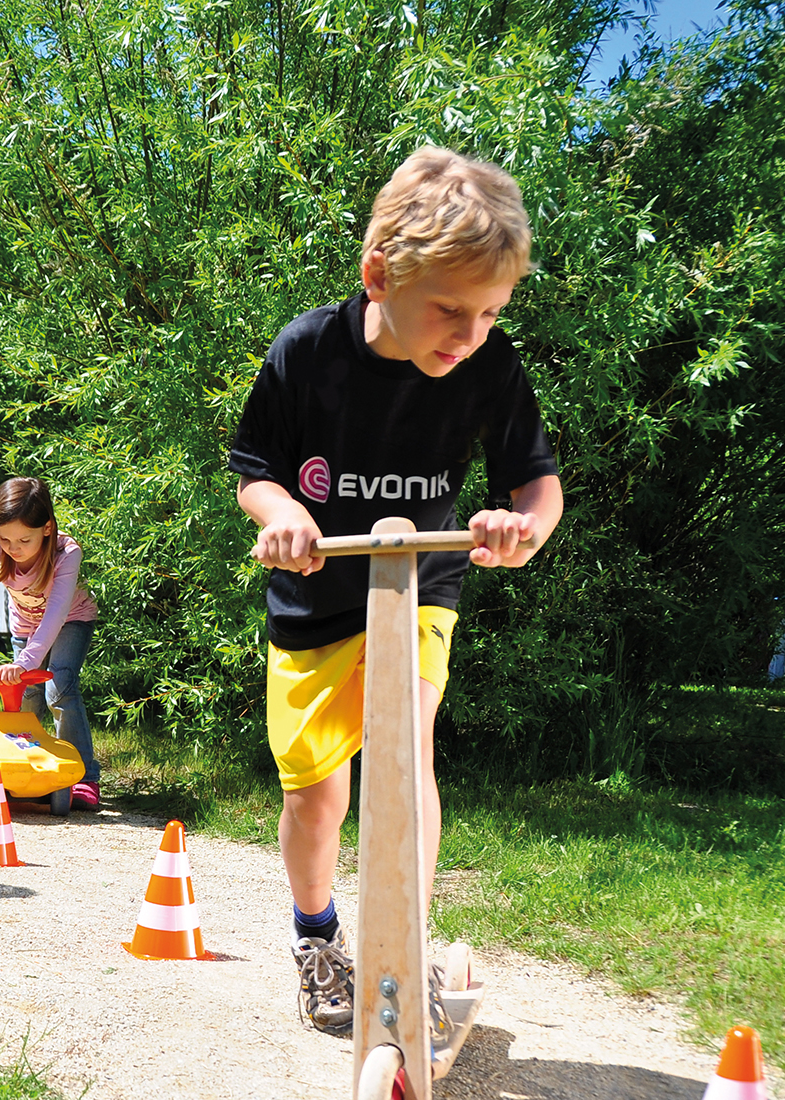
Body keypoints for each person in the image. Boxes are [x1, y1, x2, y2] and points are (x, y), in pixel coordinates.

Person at [231, 147, 565, 1033]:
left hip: (422, 581)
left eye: (492, 312)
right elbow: (255, 469)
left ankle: (403, 940)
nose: (471, 333)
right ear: (379, 274)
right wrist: (284, 516)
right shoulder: (308, 351)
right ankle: (317, 939)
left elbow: (538, 484)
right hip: (313, 600)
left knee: (406, 756)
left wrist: (521, 529)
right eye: (451, 309)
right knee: (315, 796)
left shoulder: (490, 368)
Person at [0, 477, 104, 810]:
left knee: (60, 684)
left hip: (71, 620)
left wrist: (24, 663)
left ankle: (84, 777)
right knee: (27, 693)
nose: (14, 548)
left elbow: (56, 614)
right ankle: (24, 769)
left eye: (24, 539)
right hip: (25, 625)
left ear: (47, 528)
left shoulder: (67, 553)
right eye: (5, 539)